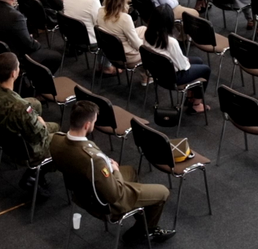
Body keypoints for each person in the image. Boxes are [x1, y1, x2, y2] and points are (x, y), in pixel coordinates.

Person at [50, 101, 175, 244]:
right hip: (104, 203)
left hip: (81, 194)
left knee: (131, 171)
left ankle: (141, 214)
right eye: (94, 121)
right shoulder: (93, 160)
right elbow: (115, 195)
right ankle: (145, 230)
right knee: (163, 192)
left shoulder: (56, 139)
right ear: (87, 125)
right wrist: (115, 172)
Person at [0, 52, 59, 195]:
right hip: (25, 150)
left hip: (4, 141)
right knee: (58, 134)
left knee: (36, 104)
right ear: (15, 73)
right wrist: (40, 121)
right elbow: (40, 134)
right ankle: (33, 175)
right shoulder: (21, 108)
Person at [145, 5, 211, 113]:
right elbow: (183, 66)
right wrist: (186, 60)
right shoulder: (170, 42)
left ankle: (190, 97)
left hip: (158, 72)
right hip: (172, 78)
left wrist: (184, 60)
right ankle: (196, 104)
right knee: (206, 70)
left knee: (198, 60)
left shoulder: (148, 34)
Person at [0, 0, 62, 71]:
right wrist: (34, 42)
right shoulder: (16, 17)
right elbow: (29, 45)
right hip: (15, 57)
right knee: (56, 57)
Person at [97, 0, 147, 74]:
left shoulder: (100, 11)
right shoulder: (125, 18)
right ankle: (146, 75)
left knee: (144, 29)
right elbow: (137, 45)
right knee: (150, 48)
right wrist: (146, 45)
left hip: (108, 51)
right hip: (125, 57)